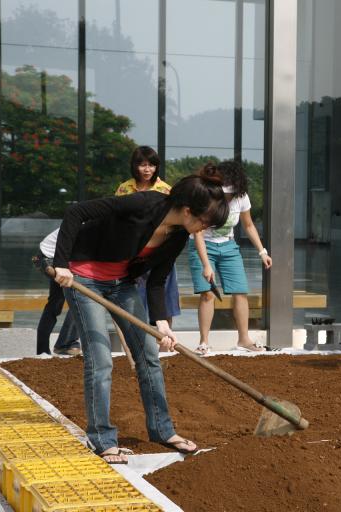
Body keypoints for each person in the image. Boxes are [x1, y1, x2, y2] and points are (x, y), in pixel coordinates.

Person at [52, 171, 228, 463]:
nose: (204, 229)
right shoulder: (142, 203)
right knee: (101, 359)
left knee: (149, 354)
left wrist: (162, 325)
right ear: (188, 210)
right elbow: (76, 212)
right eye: (205, 222)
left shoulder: (180, 234)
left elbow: (157, 280)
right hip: (83, 279)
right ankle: (102, 440)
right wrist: (61, 264)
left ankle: (162, 430)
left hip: (122, 284)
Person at [188, 160, 272, 354]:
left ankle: (244, 340)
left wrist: (262, 252)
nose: (227, 197)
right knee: (208, 293)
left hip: (229, 247)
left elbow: (248, 225)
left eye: (230, 193)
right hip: (202, 246)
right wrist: (206, 264)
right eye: (225, 192)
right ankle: (204, 342)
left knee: (240, 292)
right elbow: (198, 233)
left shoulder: (242, 198)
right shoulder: (206, 197)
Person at [116, 146, 180, 326]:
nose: (147, 169)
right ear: (134, 166)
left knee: (165, 299)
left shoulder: (166, 190)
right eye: (142, 165)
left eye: (151, 165)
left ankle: (166, 347)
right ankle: (138, 344)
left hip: (160, 251)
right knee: (134, 299)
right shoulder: (124, 188)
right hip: (133, 252)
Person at [35, 228, 81, 356]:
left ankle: (61, 345)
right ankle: (61, 345)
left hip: (64, 258)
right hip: (50, 257)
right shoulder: (90, 221)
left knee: (60, 303)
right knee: (77, 301)